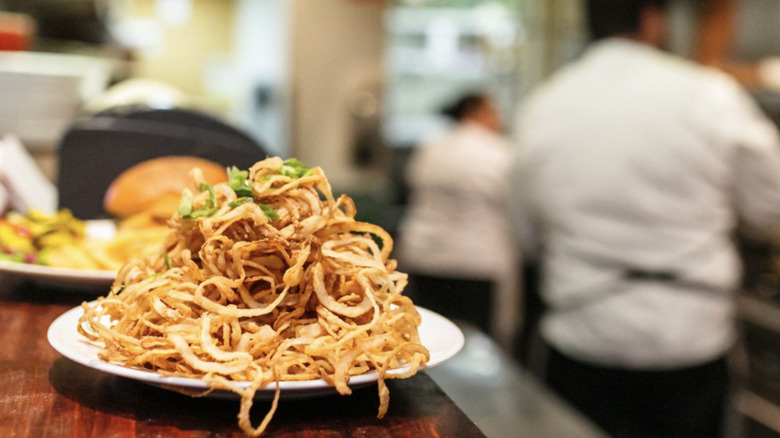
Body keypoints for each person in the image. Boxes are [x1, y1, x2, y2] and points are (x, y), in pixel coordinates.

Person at [509, 1, 780, 437]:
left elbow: (525, 236)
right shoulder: (710, 94)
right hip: (690, 337)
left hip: (583, 334)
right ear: (653, 18)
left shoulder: (544, 104)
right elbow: (770, 207)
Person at [397, 92, 519, 346]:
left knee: (427, 337)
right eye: (494, 110)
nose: (499, 118)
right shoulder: (499, 151)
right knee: (479, 346)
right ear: (475, 112)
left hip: (425, 256)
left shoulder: (431, 147)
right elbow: (515, 205)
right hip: (477, 261)